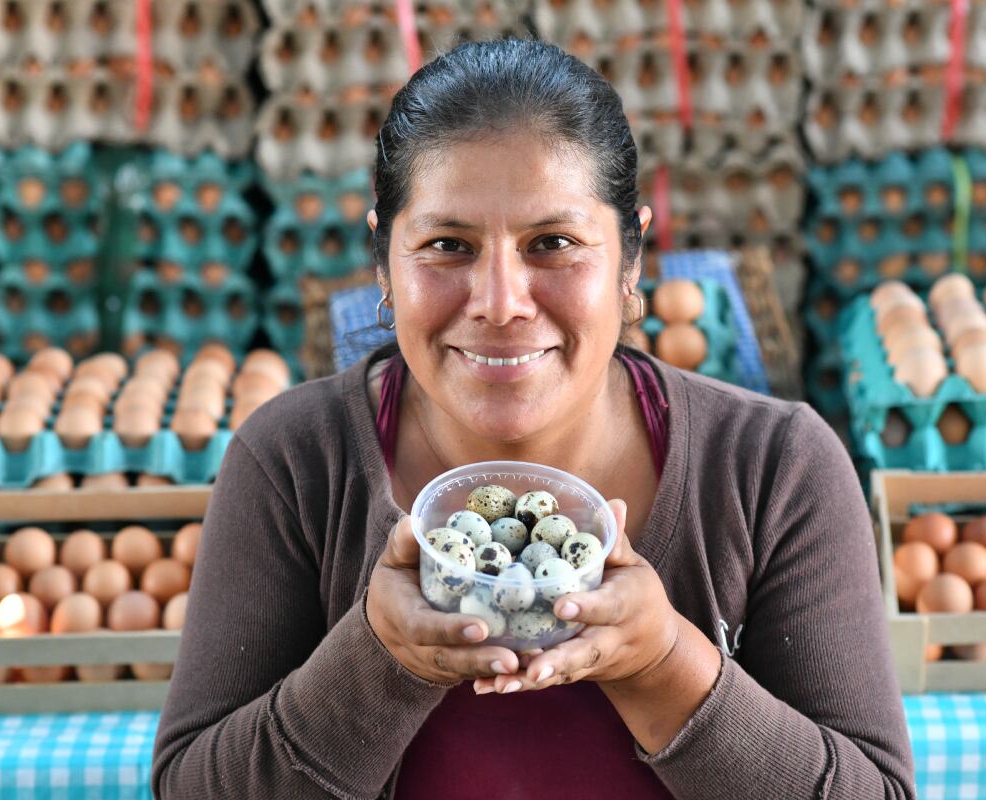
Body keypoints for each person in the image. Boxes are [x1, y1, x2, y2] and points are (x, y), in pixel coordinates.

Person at [153, 38, 914, 799]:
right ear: (384, 261)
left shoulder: (773, 469)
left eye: (554, 244)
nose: (501, 301)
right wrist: (378, 659)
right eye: (447, 245)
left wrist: (664, 666)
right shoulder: (293, 464)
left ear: (631, 261)